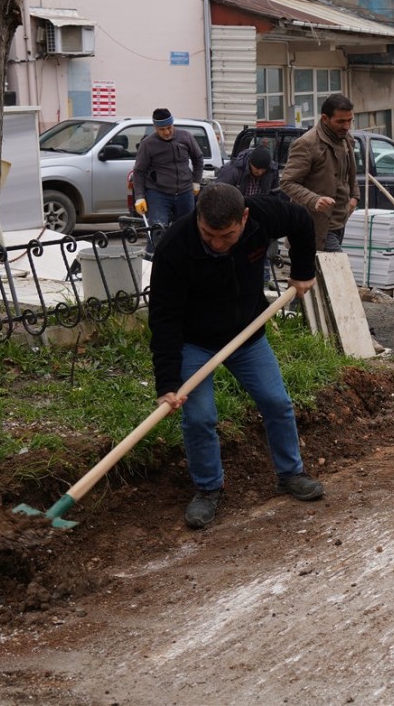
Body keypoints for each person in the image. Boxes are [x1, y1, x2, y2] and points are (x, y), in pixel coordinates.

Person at [149, 183, 322, 530]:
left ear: (243, 218)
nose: (216, 243)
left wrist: (304, 270)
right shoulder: (174, 249)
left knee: (276, 402)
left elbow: (302, 219)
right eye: (208, 234)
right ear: (198, 217)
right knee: (199, 417)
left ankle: (290, 474)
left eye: (226, 236)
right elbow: (163, 320)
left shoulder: (262, 215)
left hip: (246, 334)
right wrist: (168, 381)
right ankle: (208, 488)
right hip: (194, 342)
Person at [281, 94, 358, 251]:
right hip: (315, 227)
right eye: (341, 121)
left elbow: (350, 173)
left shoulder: (346, 139)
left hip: (339, 223)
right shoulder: (306, 144)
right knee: (338, 273)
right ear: (325, 119)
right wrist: (314, 199)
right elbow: (287, 182)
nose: (347, 126)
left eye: (350, 120)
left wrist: (355, 197)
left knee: (320, 275)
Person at [134, 108, 204, 258]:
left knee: (188, 231)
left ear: (173, 124)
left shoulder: (185, 137)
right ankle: (152, 265)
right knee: (157, 231)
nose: (166, 132)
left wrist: (196, 182)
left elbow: (198, 159)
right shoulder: (148, 144)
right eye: (162, 129)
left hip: (185, 191)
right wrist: (139, 196)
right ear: (155, 128)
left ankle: (187, 264)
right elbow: (139, 172)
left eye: (169, 127)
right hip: (158, 194)